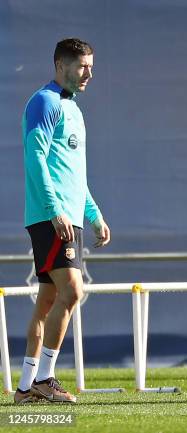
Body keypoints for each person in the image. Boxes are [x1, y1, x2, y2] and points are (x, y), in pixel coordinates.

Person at [14, 38, 111, 404]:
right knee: (72, 292)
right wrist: (55, 210)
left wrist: (95, 215)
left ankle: (25, 388)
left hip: (68, 219)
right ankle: (46, 378)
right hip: (52, 218)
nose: (89, 73)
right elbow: (35, 159)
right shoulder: (45, 102)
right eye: (82, 66)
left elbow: (73, 174)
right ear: (60, 65)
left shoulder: (73, 108)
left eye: (91, 66)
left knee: (47, 302)